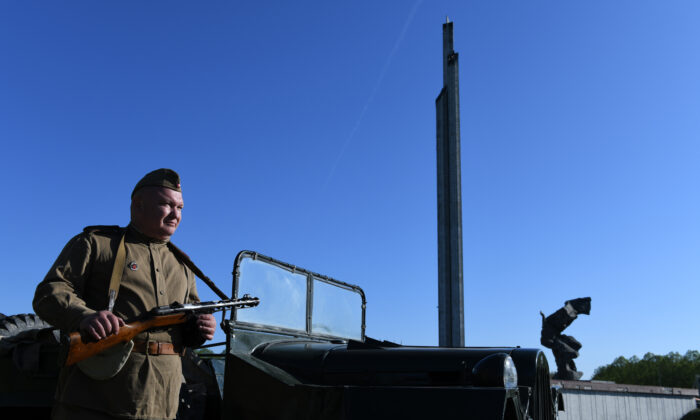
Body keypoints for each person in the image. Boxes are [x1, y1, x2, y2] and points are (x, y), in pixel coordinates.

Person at [33, 168, 217, 420]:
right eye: (166, 204)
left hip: (161, 402)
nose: (176, 214)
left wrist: (201, 328)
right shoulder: (98, 243)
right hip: (98, 398)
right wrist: (84, 317)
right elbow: (50, 292)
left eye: (181, 208)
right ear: (138, 205)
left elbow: (188, 329)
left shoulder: (183, 266)